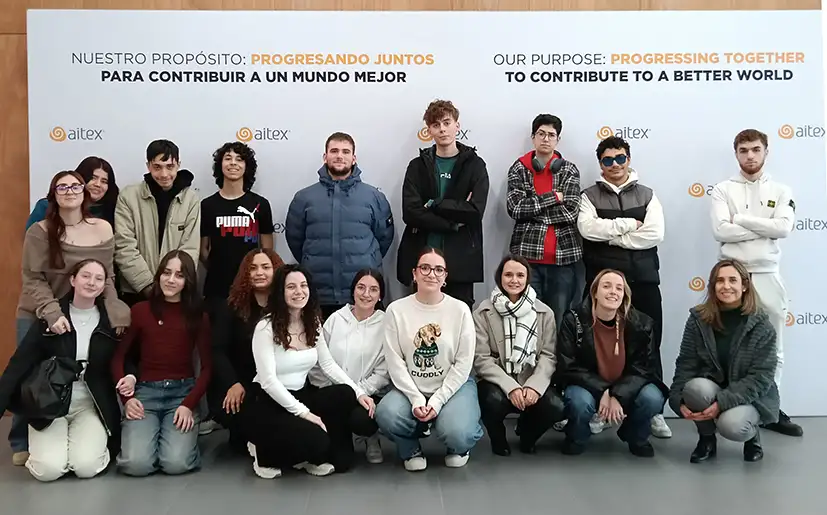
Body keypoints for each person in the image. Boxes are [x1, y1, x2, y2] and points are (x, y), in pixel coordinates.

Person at [12, 170, 130, 466]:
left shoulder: (102, 228)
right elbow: (32, 278)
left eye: (75, 186)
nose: (69, 191)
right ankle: (21, 440)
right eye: (62, 187)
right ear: (53, 195)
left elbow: (107, 276)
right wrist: (51, 312)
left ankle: (81, 433)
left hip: (79, 312)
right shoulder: (39, 231)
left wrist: (115, 310)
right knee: (31, 376)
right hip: (38, 312)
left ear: (84, 192)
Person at [577, 135, 671, 439]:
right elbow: (588, 229)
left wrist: (612, 239)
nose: (615, 164)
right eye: (608, 160)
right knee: (600, 347)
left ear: (628, 160)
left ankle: (653, 411)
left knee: (650, 345)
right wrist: (630, 225)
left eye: (620, 158)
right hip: (601, 282)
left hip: (643, 280)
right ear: (600, 165)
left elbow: (654, 234)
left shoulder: (647, 195)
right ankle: (602, 408)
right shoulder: (589, 196)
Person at [244, 264, 377, 479]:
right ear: (280, 292)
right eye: (291, 287)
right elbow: (268, 381)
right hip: (268, 402)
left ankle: (306, 450)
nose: (299, 291)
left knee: (344, 397)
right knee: (318, 442)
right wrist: (305, 414)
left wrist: (359, 392)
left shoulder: (312, 322)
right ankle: (262, 451)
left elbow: (328, 365)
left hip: (301, 394)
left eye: (303, 285)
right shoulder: (265, 327)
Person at [709, 128, 801, 437]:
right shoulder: (723, 190)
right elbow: (721, 231)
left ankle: (770, 410)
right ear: (736, 154)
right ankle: (728, 408)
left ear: (766, 152)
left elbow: (783, 229)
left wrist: (741, 220)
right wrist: (765, 227)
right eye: (744, 150)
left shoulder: (782, 190)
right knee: (726, 346)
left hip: (766, 274)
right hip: (731, 274)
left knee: (774, 346)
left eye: (756, 149)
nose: (750, 155)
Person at [0, 260, 123, 481]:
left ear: (104, 286)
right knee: (48, 471)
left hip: (89, 405)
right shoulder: (51, 319)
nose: (91, 282)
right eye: (85, 276)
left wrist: (130, 377)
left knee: (86, 468)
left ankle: (78, 449)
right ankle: (55, 452)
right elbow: (18, 365)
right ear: (73, 280)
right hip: (50, 404)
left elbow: (124, 360)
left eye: (98, 278)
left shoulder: (111, 322)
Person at [375, 247, 483, 472]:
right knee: (386, 413)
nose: (431, 274)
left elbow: (463, 363)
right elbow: (395, 362)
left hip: (453, 386)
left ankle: (458, 447)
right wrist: (416, 399)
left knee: (458, 431)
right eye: (425, 268)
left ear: (445, 277)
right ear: (414, 274)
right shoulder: (396, 310)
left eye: (438, 269)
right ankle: (410, 448)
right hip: (411, 387)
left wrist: (437, 401)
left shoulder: (460, 310)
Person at [111, 250, 212, 476]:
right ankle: (152, 441)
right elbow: (118, 358)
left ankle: (181, 444)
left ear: (188, 281)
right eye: (166, 273)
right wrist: (127, 399)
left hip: (182, 394)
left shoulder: (198, 316)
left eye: (179, 275)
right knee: (136, 465)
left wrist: (188, 404)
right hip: (145, 394)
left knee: (176, 464)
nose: (171, 280)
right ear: (158, 275)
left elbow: (207, 368)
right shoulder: (140, 311)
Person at [669, 259, 778, 463]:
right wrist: (678, 400)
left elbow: (761, 377)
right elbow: (686, 364)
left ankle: (752, 437)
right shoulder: (698, 320)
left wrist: (722, 403)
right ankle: (707, 439)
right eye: (720, 281)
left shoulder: (762, 325)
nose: (726, 286)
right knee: (693, 388)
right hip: (712, 389)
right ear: (713, 286)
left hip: (749, 397)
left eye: (732, 280)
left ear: (744, 286)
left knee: (732, 426)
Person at [555, 269, 667, 457]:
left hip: (627, 384)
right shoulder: (573, 320)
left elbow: (644, 368)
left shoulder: (642, 323)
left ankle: (636, 437)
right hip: (587, 385)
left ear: (624, 296)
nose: (613, 292)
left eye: (619, 288)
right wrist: (604, 391)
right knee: (579, 402)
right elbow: (568, 365)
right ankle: (577, 437)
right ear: (594, 292)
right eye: (606, 286)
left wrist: (618, 394)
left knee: (653, 398)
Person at [286, 132, 394, 320]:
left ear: (354, 158)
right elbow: (295, 240)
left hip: (362, 296)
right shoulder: (304, 198)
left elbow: (384, 238)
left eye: (345, 151)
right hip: (318, 295)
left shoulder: (374, 197)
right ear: (325, 156)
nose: (339, 156)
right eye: (334, 151)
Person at [397, 100, 489, 309]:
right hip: (422, 260)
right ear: (429, 130)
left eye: (447, 123)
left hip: (461, 262)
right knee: (420, 320)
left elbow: (474, 212)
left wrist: (434, 203)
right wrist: (452, 223)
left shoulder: (475, 165)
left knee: (459, 321)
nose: (442, 129)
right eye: (436, 125)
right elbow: (410, 212)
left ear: (457, 126)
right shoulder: (417, 166)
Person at [473, 254, 565, 456]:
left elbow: (549, 356)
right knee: (491, 400)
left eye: (520, 275)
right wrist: (511, 387)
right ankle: (498, 439)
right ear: (500, 278)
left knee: (556, 406)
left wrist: (534, 386)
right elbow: (481, 359)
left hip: (530, 377)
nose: (514, 280)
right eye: (508, 275)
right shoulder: (482, 312)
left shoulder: (544, 313)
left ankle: (527, 435)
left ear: (527, 279)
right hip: (498, 381)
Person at [506, 114, 583, 328]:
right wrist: (554, 197)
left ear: (558, 139)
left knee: (558, 323)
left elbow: (571, 212)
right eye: (541, 134)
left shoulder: (569, 170)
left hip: (563, 261)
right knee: (526, 322)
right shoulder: (519, 168)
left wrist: (533, 212)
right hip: (527, 260)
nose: (546, 139)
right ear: (533, 137)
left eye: (551, 135)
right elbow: (515, 208)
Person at [308, 268, 389, 464]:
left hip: (367, 394)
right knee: (340, 460)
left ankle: (370, 437)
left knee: (363, 420)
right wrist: (334, 391)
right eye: (361, 287)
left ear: (380, 295)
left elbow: (383, 372)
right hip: (333, 392)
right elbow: (318, 361)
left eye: (373, 289)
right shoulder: (336, 319)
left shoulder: (386, 324)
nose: (366, 294)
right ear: (353, 291)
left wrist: (358, 392)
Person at [209, 248, 284, 454]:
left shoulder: (286, 306)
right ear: (245, 273)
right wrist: (232, 383)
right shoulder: (230, 307)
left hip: (279, 381)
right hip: (241, 384)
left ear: (277, 271)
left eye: (266, 267)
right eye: (253, 268)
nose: (259, 273)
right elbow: (217, 351)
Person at [115, 139, 201, 307]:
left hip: (176, 292)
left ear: (178, 165)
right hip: (136, 291)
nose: (164, 174)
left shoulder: (191, 200)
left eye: (170, 166)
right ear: (148, 166)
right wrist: (148, 286)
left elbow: (190, 249)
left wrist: (172, 283)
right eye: (157, 167)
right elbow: (124, 246)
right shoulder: (128, 196)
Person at [200, 141, 275, 316]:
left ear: (246, 167)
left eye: (239, 159)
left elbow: (267, 250)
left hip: (252, 289)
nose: (233, 163)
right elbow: (203, 250)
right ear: (220, 165)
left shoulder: (260, 204)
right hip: (217, 290)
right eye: (228, 158)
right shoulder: (207, 205)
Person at [26, 156, 120, 229]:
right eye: (93, 178)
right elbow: (32, 240)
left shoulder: (113, 210)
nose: (98, 184)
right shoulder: (47, 206)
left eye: (104, 181)